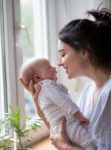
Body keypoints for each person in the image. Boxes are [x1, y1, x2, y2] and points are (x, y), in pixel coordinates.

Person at [20, 7, 111, 150]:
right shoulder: (88, 91)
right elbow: (65, 130)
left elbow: (65, 143)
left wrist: (63, 146)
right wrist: (39, 105)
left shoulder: (109, 94)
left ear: (83, 51)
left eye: (63, 54)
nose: (59, 63)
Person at [19, 58, 96, 150]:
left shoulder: (39, 94)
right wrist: (78, 115)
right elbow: (65, 102)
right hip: (70, 125)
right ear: (37, 78)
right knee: (88, 143)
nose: (55, 68)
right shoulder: (47, 86)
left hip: (58, 130)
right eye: (49, 67)